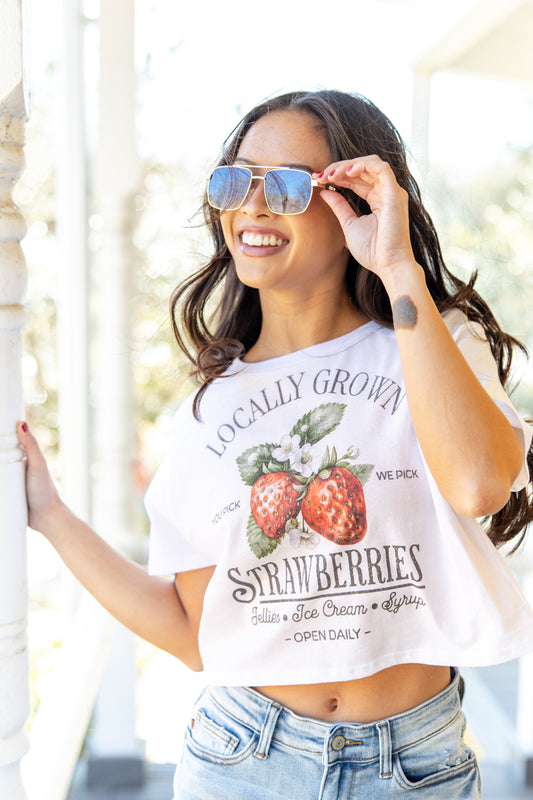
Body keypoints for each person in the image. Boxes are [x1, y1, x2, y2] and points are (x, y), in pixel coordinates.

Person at [17, 89, 533, 799]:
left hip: (414, 766)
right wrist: (50, 516)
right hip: (242, 759)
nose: (254, 206)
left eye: (290, 185)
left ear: (355, 199)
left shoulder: (431, 339)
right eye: (237, 179)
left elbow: (479, 485)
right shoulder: (210, 409)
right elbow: (195, 635)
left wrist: (397, 267)